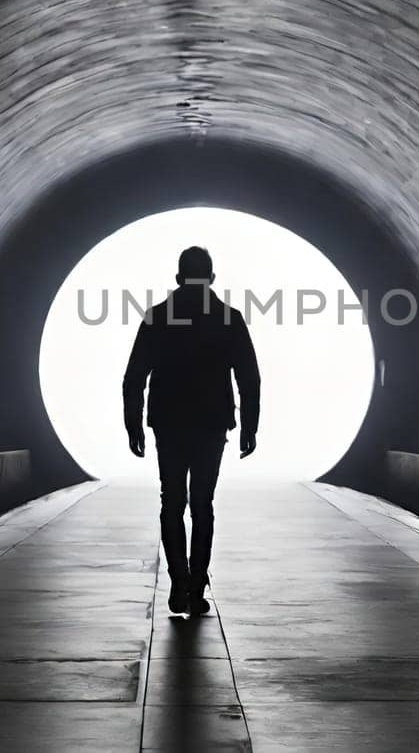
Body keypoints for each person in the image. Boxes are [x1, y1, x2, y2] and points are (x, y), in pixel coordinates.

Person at [123, 246, 260, 615]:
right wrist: (250, 425)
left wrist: (133, 423)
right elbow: (248, 377)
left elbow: (135, 377)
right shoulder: (228, 318)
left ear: (179, 277)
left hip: (168, 423)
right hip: (212, 423)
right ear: (212, 278)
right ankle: (196, 587)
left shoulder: (158, 318)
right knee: (202, 504)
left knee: (172, 502)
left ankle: (178, 582)